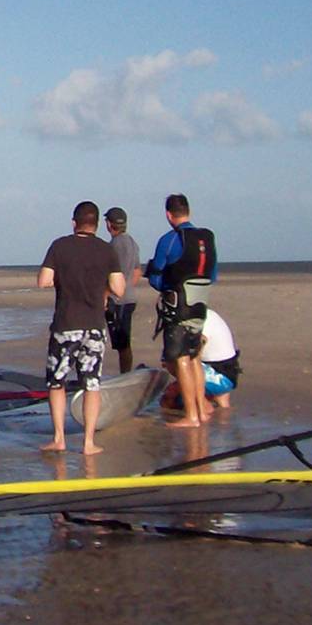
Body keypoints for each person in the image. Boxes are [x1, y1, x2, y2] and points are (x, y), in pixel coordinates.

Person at [37, 201, 126, 456]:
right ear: (97, 224)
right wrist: (104, 290)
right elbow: (119, 289)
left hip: (66, 324)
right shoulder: (106, 250)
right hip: (94, 326)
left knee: (57, 382)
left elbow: (44, 280)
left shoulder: (60, 246)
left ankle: (59, 438)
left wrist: (61, 277)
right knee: (91, 383)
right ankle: (88, 442)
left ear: (74, 222)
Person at [145, 194, 218, 429]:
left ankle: (192, 415)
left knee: (182, 359)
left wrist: (161, 281)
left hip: (179, 307)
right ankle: (200, 410)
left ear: (168, 214)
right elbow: (212, 275)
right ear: (188, 211)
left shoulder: (169, 240)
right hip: (200, 305)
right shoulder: (206, 238)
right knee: (195, 356)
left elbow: (156, 278)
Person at [163, 308, 241, 412]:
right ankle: (220, 402)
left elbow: (195, 351)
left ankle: (203, 405)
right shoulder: (207, 314)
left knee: (171, 396)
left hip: (220, 376)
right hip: (230, 372)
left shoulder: (197, 320)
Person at [102, 207, 140, 374]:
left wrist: (107, 295)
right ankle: (125, 372)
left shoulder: (114, 245)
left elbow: (114, 275)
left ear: (110, 225)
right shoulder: (132, 242)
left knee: (122, 342)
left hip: (118, 300)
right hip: (128, 297)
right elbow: (137, 271)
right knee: (122, 342)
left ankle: (125, 374)